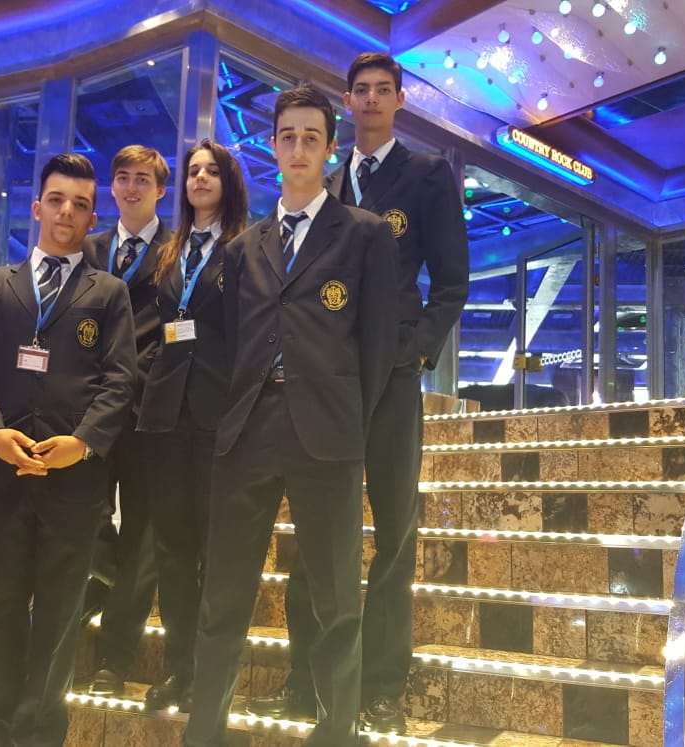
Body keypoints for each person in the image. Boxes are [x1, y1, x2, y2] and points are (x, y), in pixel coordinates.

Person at [248, 52, 470, 734]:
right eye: (361, 90)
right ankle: (306, 678)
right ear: (347, 102)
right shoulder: (329, 179)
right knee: (321, 532)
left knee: (395, 533)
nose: (371, 99)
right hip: (329, 375)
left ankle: (381, 685)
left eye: (383, 90)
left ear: (399, 100)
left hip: (394, 375)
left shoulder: (427, 175)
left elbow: (452, 283)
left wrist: (417, 351)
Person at [184, 86, 399, 747]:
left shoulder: (364, 234)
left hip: (327, 432)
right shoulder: (243, 248)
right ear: (273, 146)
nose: (299, 148)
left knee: (336, 600)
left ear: (330, 147)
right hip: (248, 429)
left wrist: (350, 418)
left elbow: (378, 344)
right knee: (223, 596)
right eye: (288, 136)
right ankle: (204, 732)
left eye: (311, 137)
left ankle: (337, 731)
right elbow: (225, 341)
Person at [0, 153, 136, 747]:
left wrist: (82, 444)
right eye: (57, 200)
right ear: (37, 207)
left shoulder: (108, 293)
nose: (67, 212)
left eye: (80, 204)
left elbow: (120, 382)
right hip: (1, 475)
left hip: (74, 483)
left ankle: (39, 731)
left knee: (60, 613)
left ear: (92, 218)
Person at [136, 139, 249, 711]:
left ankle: (210, 672)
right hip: (164, 414)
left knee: (214, 549)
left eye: (211, 171)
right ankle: (178, 668)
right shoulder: (170, 250)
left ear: (228, 181)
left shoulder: (245, 248)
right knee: (173, 550)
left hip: (218, 413)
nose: (200, 178)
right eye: (193, 171)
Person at [83, 145, 174, 696]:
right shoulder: (89, 248)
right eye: (123, 178)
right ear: (112, 187)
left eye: (143, 179)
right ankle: (109, 578)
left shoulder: (177, 251)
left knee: (143, 532)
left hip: (149, 410)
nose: (132, 187)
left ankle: (114, 659)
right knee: (86, 518)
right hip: (90, 411)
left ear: (161, 190)